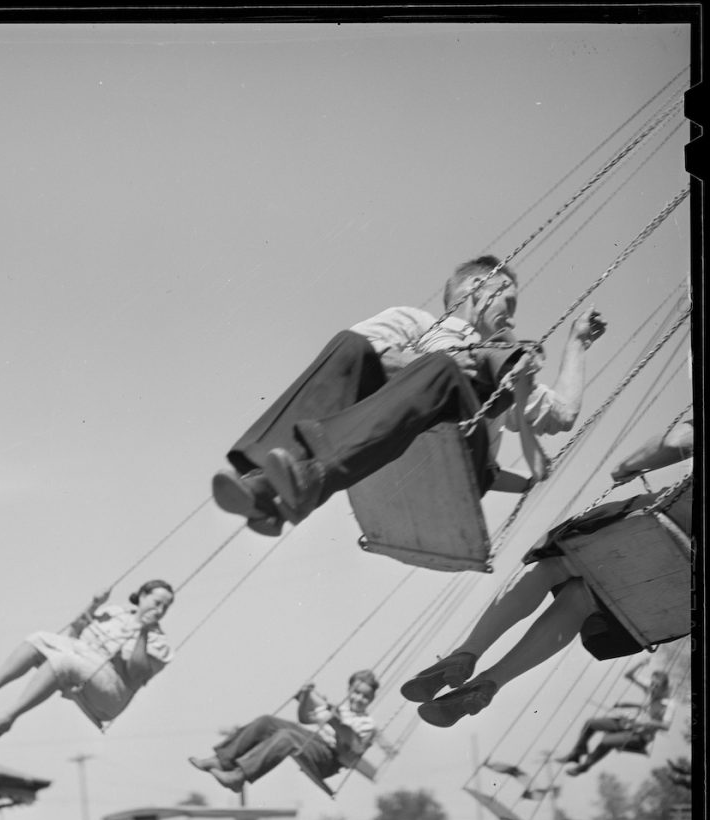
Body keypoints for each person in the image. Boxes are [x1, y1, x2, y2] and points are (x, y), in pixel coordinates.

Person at [211, 256, 607, 535]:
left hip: (457, 456)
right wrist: (410, 360)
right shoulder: (413, 323)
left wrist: (577, 345)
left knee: (442, 368)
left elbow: (563, 414)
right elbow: (359, 359)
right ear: (479, 288)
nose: (513, 317)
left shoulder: (504, 363)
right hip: (383, 430)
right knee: (350, 345)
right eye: (509, 301)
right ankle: (260, 485)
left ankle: (315, 476)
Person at [402, 421, 694, 727]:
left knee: (555, 563)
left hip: (672, 523)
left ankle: (467, 653)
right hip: (682, 600)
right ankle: (489, 683)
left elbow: (678, 439)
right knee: (582, 599)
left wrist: (633, 464)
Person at [0, 579, 175, 736]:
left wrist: (143, 632)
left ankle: (7, 718)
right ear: (143, 596)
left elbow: (136, 674)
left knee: (64, 662)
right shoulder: (115, 613)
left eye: (166, 606)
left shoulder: (159, 642)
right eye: (157, 603)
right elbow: (73, 634)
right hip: (83, 666)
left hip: (112, 693)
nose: (161, 609)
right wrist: (95, 604)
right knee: (38, 639)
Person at [186, 670, 391, 792]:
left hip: (329, 759)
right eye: (356, 692)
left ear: (371, 699)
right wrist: (304, 697)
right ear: (349, 690)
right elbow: (304, 718)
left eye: (365, 696)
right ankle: (222, 760)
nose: (358, 699)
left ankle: (239, 776)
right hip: (314, 742)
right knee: (267, 722)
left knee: (287, 737)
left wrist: (336, 722)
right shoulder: (338, 708)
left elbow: (352, 746)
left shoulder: (367, 723)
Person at [555, 662, 675, 775]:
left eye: (656, 686)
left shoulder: (669, 704)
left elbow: (666, 725)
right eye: (652, 684)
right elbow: (629, 675)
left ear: (664, 688)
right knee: (590, 723)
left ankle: (585, 765)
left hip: (640, 735)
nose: (652, 688)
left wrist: (648, 722)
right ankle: (577, 751)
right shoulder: (650, 687)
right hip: (628, 723)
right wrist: (640, 664)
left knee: (606, 741)